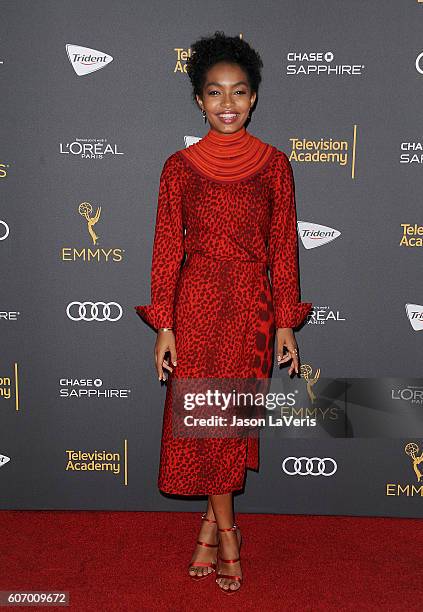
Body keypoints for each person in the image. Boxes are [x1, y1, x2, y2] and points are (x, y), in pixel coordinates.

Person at [134, 31, 313, 594]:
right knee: (209, 420)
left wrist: (285, 321)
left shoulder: (275, 166)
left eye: (239, 93)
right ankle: (228, 533)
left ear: (255, 98)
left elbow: (284, 247)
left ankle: (213, 525)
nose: (227, 104)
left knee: (228, 423)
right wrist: (164, 324)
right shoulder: (179, 167)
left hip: (250, 311)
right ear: (198, 101)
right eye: (215, 93)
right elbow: (166, 250)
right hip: (197, 305)